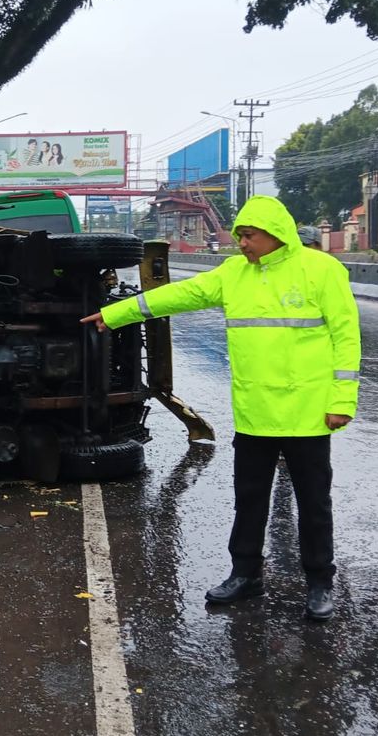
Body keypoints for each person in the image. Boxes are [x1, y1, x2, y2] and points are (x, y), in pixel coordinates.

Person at [80, 195, 360, 621]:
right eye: (240, 236)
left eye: (248, 236)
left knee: (313, 503)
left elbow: (346, 337)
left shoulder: (322, 271)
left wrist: (342, 402)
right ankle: (245, 575)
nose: (241, 243)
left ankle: (320, 580)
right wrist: (117, 314)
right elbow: (180, 295)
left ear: (275, 234)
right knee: (249, 499)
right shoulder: (234, 273)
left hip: (308, 412)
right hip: (255, 411)